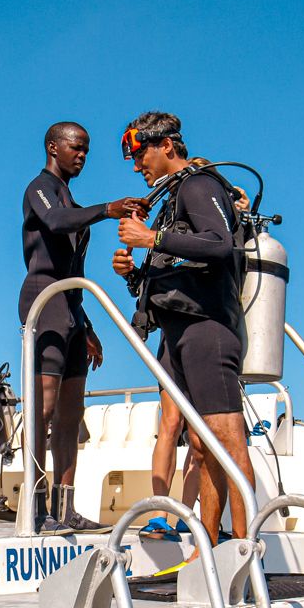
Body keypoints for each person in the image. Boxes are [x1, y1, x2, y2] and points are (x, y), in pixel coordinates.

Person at [111, 112, 257, 552]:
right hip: (178, 333)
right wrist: (133, 273)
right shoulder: (175, 197)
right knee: (201, 442)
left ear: (167, 146)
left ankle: (246, 551)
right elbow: (179, 271)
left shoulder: (198, 185)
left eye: (140, 154)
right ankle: (207, 550)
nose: (138, 167)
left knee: (227, 441)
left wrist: (151, 238)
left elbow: (219, 244)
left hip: (207, 329)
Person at [20, 121, 144, 532]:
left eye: (87, 150)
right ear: (53, 146)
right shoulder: (39, 187)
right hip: (44, 300)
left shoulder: (70, 197)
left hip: (70, 307)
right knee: (45, 407)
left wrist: (86, 326)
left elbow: (75, 269)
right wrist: (108, 210)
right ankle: (35, 509)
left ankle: (65, 508)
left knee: (72, 413)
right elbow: (55, 222)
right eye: (76, 148)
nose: (82, 156)